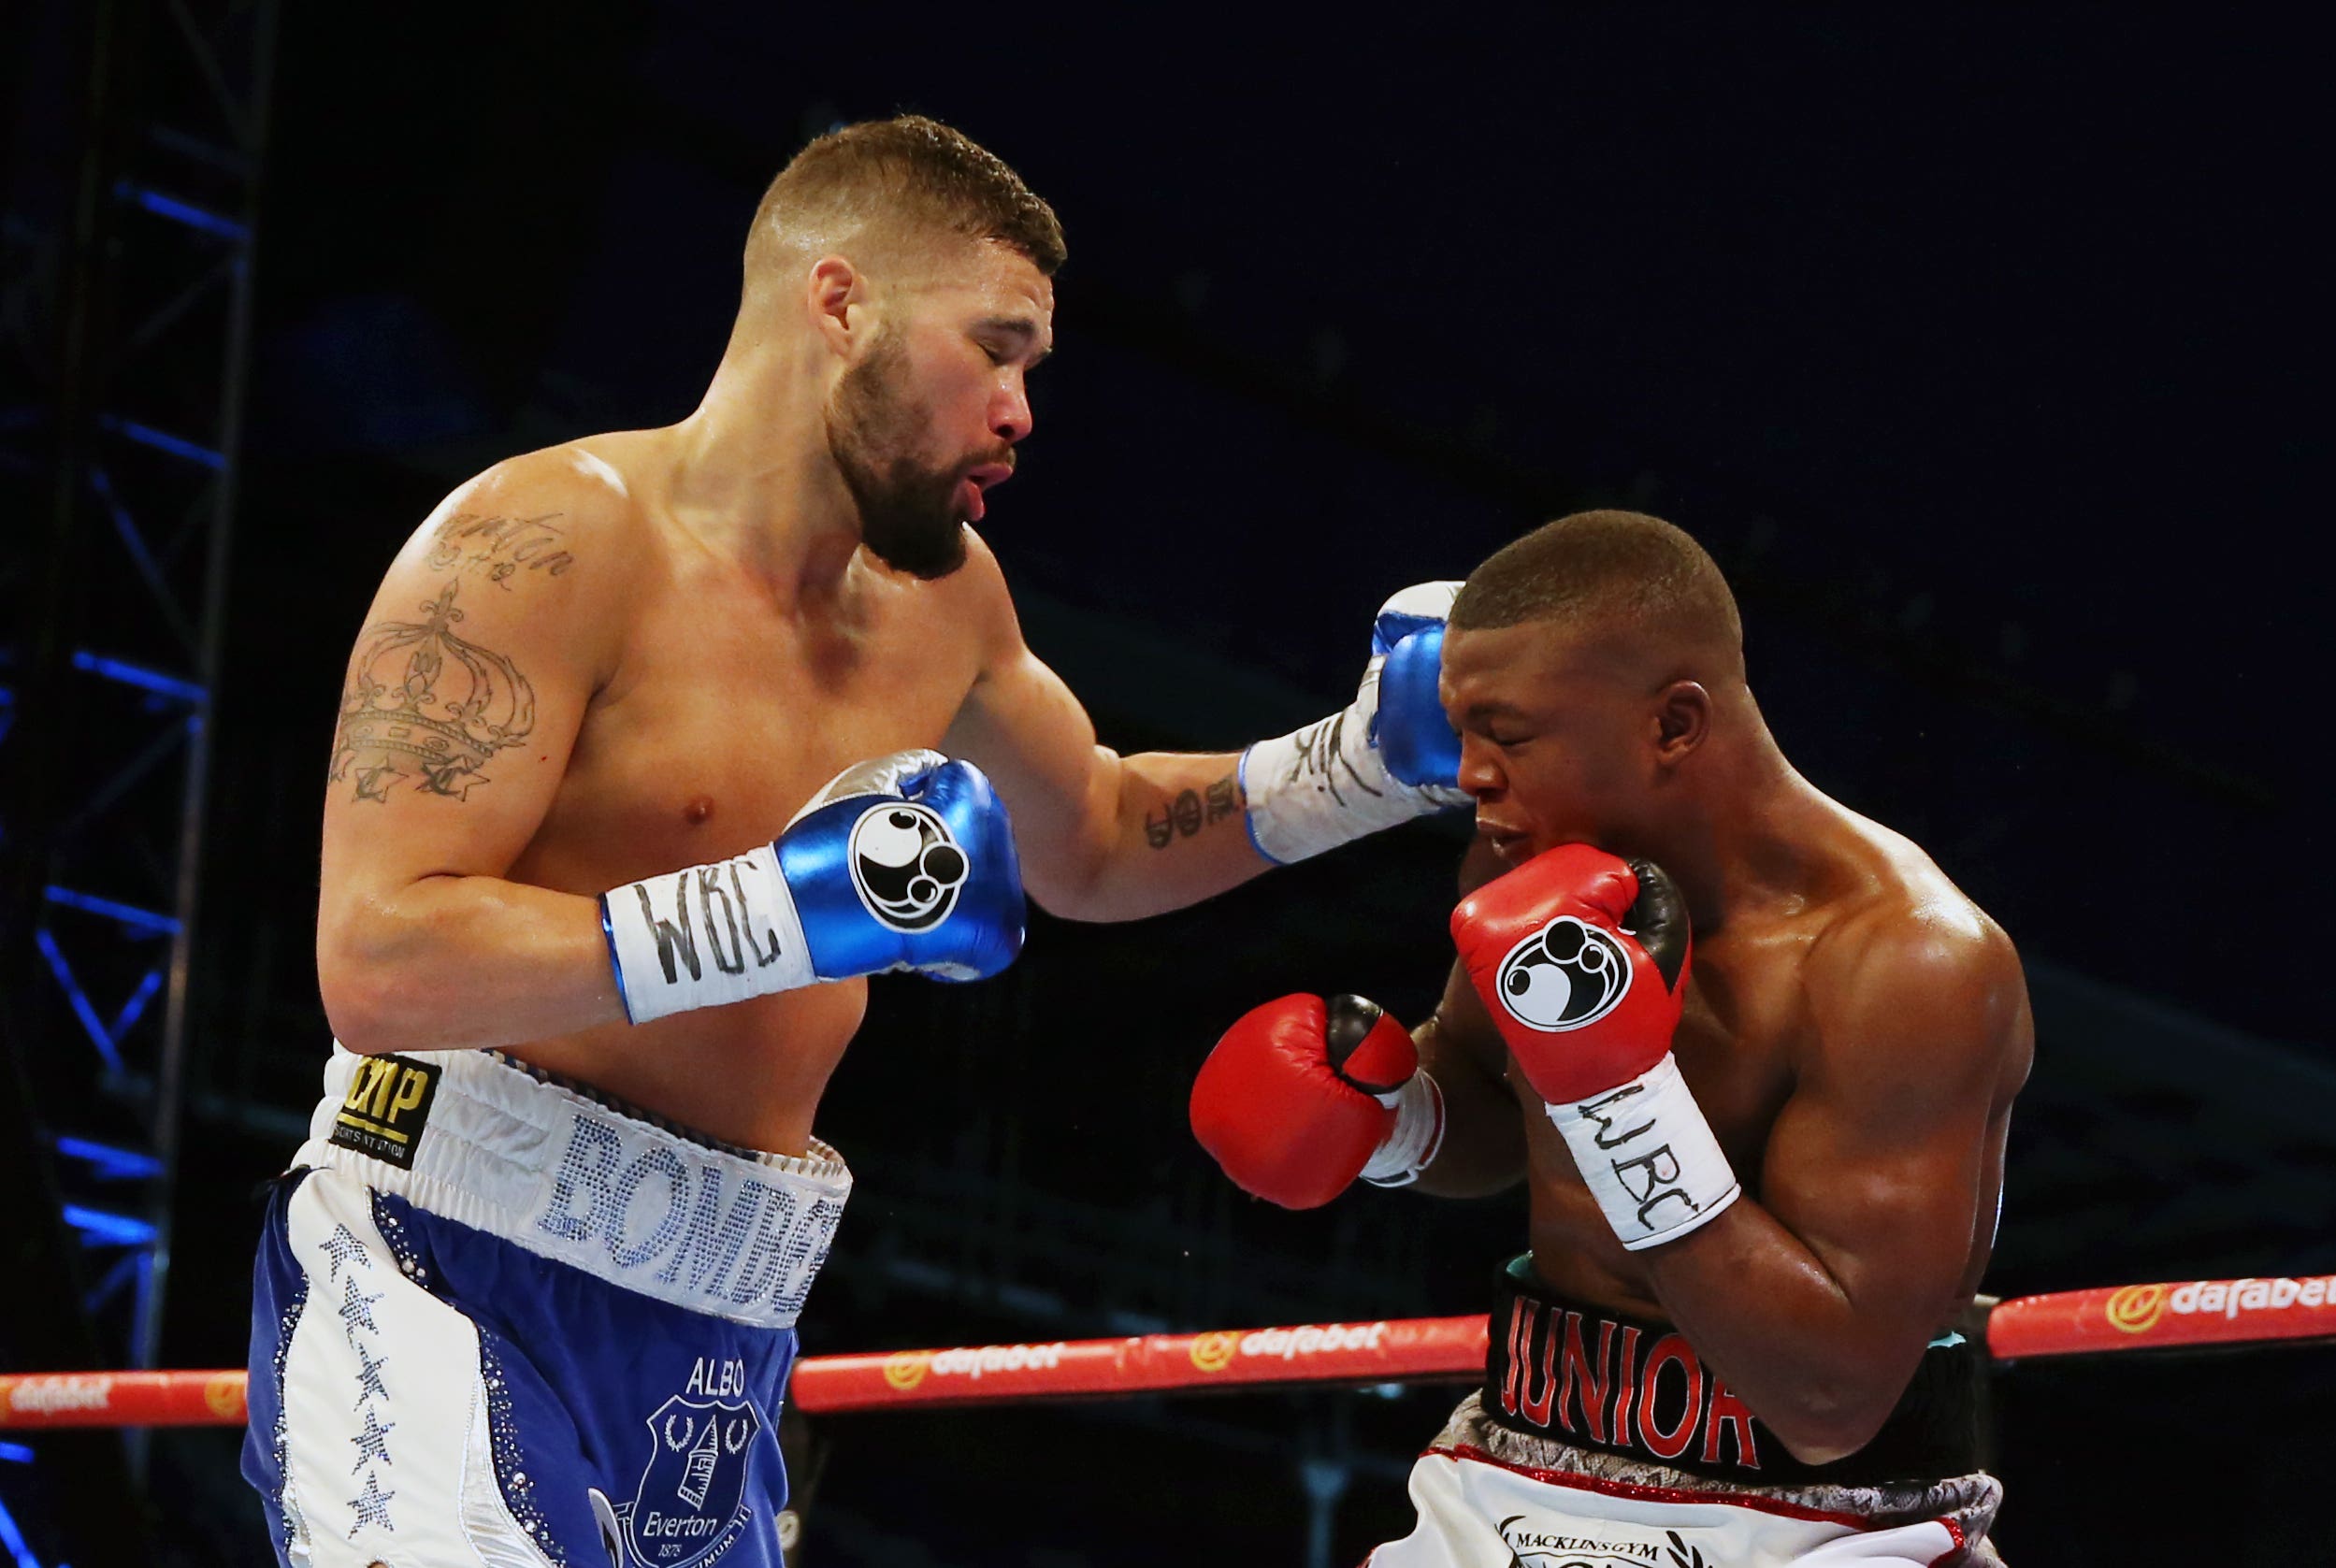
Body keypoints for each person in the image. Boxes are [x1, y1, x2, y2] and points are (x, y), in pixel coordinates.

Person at [241, 115, 1465, 1568]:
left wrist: (1367, 763)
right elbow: (378, 958)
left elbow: (1101, 836)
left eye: (1032, 368)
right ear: (840, 302)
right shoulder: (547, 540)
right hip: (449, 1268)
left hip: (724, 1333)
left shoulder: (945, 605)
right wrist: (775, 912)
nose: (1020, 410)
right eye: (994, 348)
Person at [1192, 511, 2032, 1566]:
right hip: (1516, 1467)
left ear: (1673, 725)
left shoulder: (1907, 963)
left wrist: (1616, 1094)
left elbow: (1830, 1395)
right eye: (1462, 732)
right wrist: (1390, 1121)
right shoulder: (1529, 865)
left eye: (1508, 734)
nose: (1470, 773)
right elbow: (1496, 1109)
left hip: (1817, 1525)